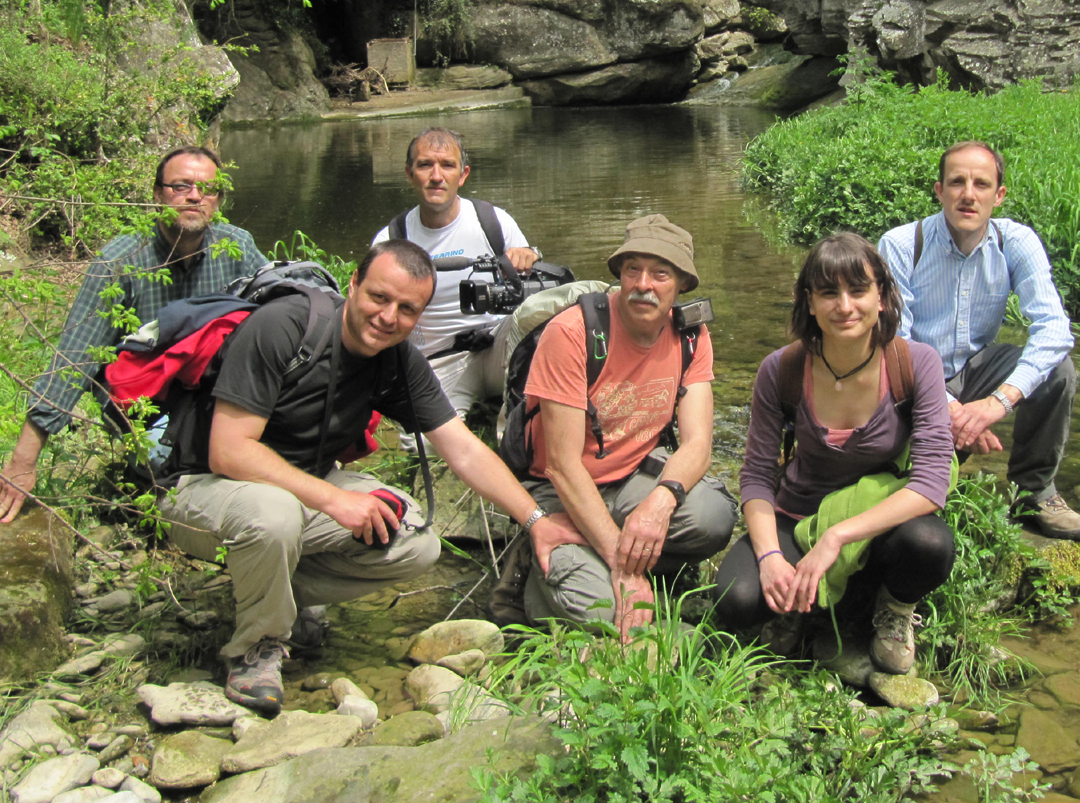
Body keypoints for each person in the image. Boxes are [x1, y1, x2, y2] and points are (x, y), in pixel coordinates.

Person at [157, 240, 583, 713]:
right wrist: (335, 501)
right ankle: (256, 650)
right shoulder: (285, 327)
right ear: (354, 284)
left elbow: (462, 448)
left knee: (415, 540)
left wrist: (537, 520)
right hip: (201, 490)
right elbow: (228, 451)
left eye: (406, 309)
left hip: (296, 487)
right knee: (273, 514)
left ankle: (274, 596)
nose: (388, 317)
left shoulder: (397, 360)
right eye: (379, 297)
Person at [714, 234, 956, 674]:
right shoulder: (781, 370)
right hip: (799, 513)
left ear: (881, 297)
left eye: (858, 290)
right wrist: (769, 557)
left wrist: (838, 536)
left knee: (929, 544)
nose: (844, 306)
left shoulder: (916, 364)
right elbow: (756, 477)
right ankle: (805, 605)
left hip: (879, 519)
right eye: (828, 292)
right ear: (808, 302)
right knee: (737, 601)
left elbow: (931, 483)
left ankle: (892, 607)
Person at [1, 146, 267, 523]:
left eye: (208, 189)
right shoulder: (121, 259)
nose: (194, 196)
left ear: (219, 200)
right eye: (181, 186)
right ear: (157, 194)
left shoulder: (237, 246)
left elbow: (280, 314)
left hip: (215, 392)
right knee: (170, 467)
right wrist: (22, 461)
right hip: (143, 403)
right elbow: (74, 359)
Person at [520, 215, 737, 638]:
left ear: (681, 286)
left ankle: (616, 555)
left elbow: (697, 445)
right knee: (605, 615)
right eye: (632, 269)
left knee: (713, 517)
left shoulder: (691, 334)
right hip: (561, 490)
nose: (643, 284)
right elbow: (562, 466)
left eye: (660, 273)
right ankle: (544, 569)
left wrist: (659, 504)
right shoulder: (572, 333)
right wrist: (623, 563)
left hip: (634, 475)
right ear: (619, 274)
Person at [877, 143, 1080, 540]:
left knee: (1058, 370)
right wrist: (954, 411)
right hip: (910, 383)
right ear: (939, 191)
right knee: (912, 487)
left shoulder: (1016, 242)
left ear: (999, 195)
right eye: (957, 182)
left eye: (981, 183)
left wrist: (998, 402)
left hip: (977, 373)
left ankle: (1034, 491)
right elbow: (894, 345)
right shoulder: (903, 245)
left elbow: (1055, 329)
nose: (968, 194)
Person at [370, 126, 538, 418]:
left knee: (545, 313)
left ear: (463, 175)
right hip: (437, 361)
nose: (437, 176)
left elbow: (532, 288)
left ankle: (523, 416)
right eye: (425, 165)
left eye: (447, 165)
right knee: (426, 449)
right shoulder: (391, 240)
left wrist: (527, 258)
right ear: (409, 174)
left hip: (499, 344)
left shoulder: (494, 221)